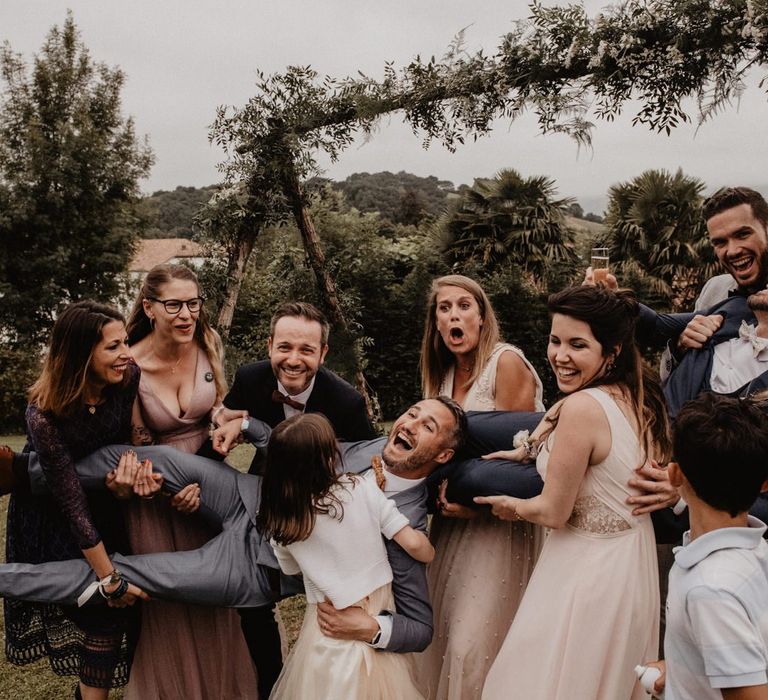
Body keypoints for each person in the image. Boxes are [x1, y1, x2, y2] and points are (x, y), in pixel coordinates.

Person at [0, 398, 468, 658]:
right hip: (247, 496)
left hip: (254, 568)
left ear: (443, 455)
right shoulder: (366, 444)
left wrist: (370, 627)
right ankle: (21, 473)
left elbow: (420, 629)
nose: (409, 423)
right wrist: (246, 424)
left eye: (428, 426)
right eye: (411, 412)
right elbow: (294, 443)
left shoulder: (407, 523)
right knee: (156, 459)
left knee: (125, 573)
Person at [477, 284, 672, 700]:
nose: (560, 356)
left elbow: (552, 512)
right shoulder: (640, 395)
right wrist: (530, 450)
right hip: (631, 562)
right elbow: (570, 425)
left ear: (611, 351)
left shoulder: (584, 408)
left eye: (577, 345)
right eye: (555, 340)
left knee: (545, 678)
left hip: (585, 570)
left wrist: (510, 505)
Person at [211, 299, 377, 693]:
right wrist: (227, 421)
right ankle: (270, 683)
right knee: (254, 596)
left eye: (306, 349)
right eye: (285, 347)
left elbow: (368, 464)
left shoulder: (346, 402)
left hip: (329, 513)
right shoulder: (252, 379)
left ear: (323, 353)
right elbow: (224, 415)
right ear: (270, 346)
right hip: (266, 498)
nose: (293, 359)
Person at [123, 264, 257, 699]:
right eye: (174, 305)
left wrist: (224, 419)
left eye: (193, 304)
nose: (186, 314)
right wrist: (166, 491)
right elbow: (137, 445)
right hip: (158, 498)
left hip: (211, 486)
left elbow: (216, 403)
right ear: (150, 308)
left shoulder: (205, 342)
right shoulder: (130, 366)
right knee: (170, 601)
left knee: (218, 594)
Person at [4, 301, 148, 700]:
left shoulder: (128, 378)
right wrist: (108, 579)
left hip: (109, 505)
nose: (127, 355)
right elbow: (69, 501)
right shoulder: (44, 415)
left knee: (121, 616)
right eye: (113, 347)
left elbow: (121, 440)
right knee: (103, 609)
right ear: (82, 353)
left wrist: (125, 479)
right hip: (54, 520)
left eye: (125, 343)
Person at [415, 274, 546, 699]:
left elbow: (521, 461)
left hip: (499, 526)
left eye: (464, 305)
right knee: (443, 635)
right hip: (452, 529)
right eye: (444, 308)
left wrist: (473, 501)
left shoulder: (505, 363)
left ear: (481, 315)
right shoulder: (441, 379)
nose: (454, 315)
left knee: (474, 645)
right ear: (435, 323)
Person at [261, 413, 431, 699]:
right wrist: (429, 550)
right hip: (373, 610)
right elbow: (414, 544)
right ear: (329, 457)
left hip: (324, 629)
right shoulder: (360, 488)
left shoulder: (280, 523)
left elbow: (290, 569)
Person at [645, 393, 768, 700]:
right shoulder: (757, 555)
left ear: (674, 475)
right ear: (765, 483)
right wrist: (680, 666)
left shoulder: (710, 590)